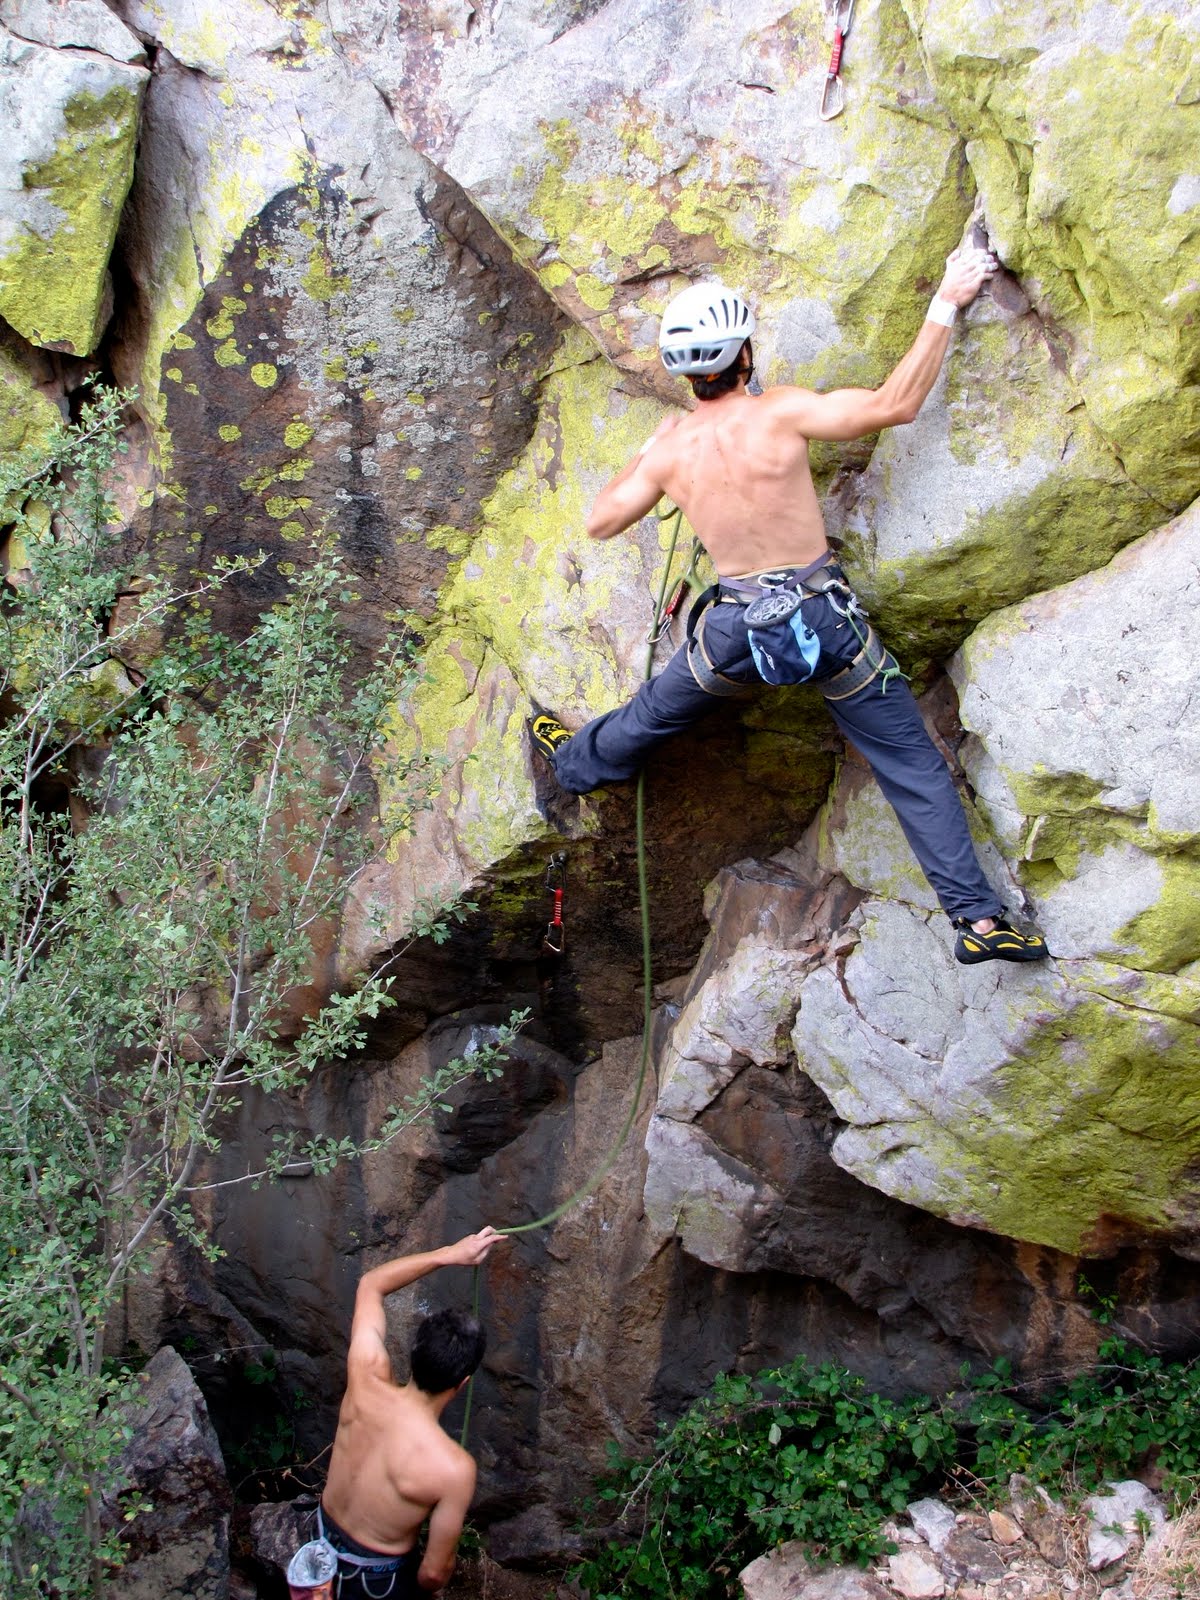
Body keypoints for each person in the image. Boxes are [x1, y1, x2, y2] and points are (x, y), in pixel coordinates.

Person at [529, 250, 1048, 965]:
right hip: (822, 621)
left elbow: (601, 520)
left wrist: (650, 450)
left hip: (735, 632)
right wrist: (946, 301)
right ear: (744, 354)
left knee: (653, 711)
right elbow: (894, 405)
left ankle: (574, 768)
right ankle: (981, 924)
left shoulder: (671, 449)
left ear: (686, 372)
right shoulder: (781, 412)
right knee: (909, 764)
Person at [315, 1226, 502, 1595]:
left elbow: (371, 1284)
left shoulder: (364, 1376)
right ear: (462, 1383)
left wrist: (449, 1253)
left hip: (317, 1553)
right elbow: (433, 1574)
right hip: (374, 1584)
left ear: (414, 1354)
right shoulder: (453, 1469)